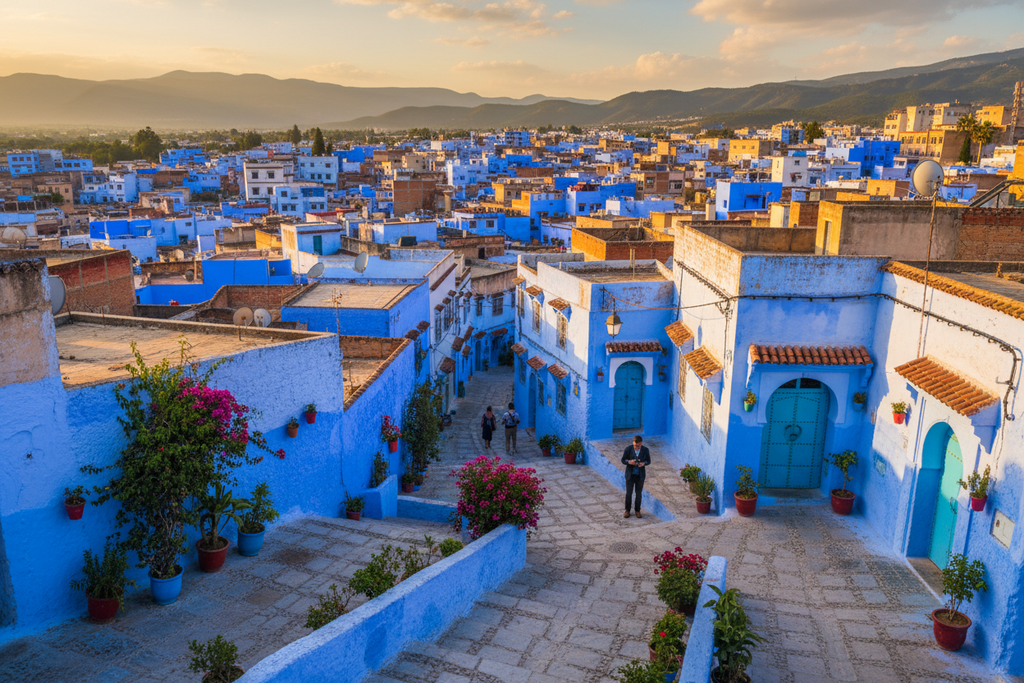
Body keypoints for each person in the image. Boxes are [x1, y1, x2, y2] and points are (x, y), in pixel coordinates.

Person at [621, 435, 651, 518]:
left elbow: (648, 461)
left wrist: (643, 463)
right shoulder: (628, 449)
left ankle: (637, 510)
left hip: (640, 475)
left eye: (638, 445)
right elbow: (623, 460)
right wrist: (629, 462)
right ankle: (627, 510)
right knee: (628, 493)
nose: (636, 446)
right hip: (630, 475)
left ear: (641, 443)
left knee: (638, 494)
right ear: (633, 442)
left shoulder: (645, 450)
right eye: (635, 445)